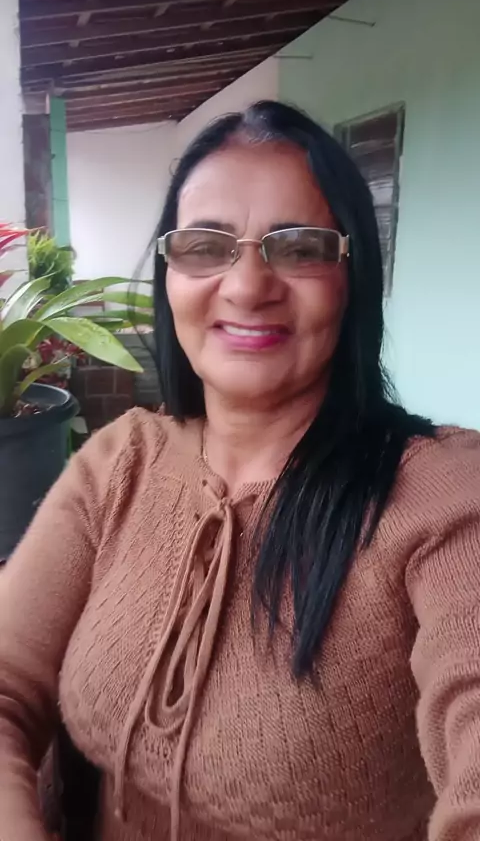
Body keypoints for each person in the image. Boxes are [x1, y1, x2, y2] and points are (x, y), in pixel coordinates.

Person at [0, 100, 479, 841]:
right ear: (169, 274)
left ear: (353, 277)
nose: (249, 286)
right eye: (205, 245)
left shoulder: (441, 496)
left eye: (300, 246)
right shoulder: (121, 461)